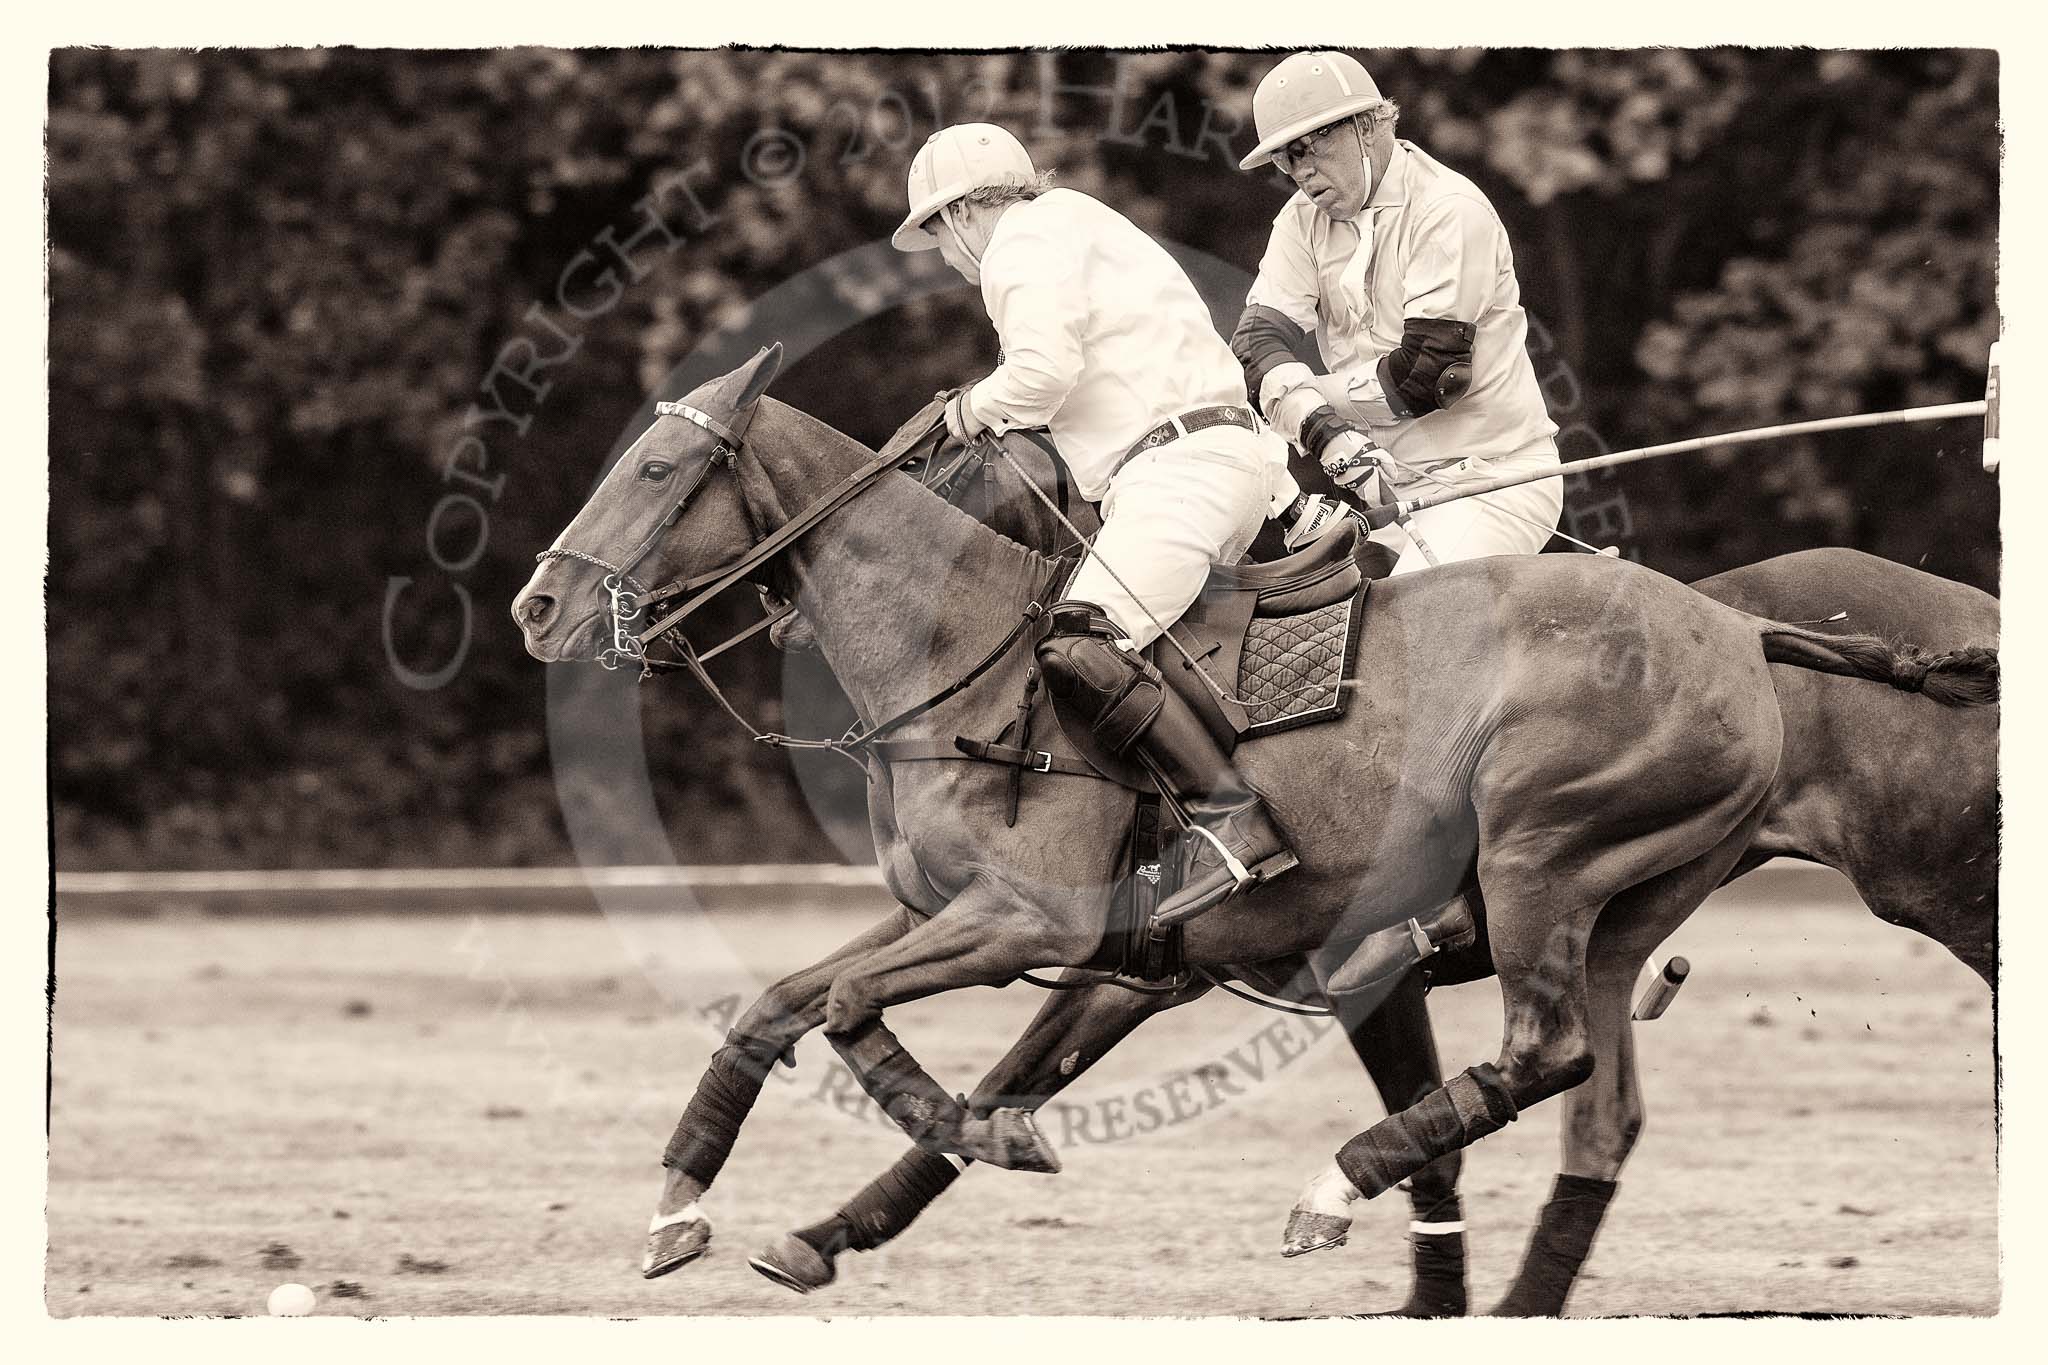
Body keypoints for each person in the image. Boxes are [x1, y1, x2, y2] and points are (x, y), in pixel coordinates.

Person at [893, 123, 1297, 924]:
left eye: (936, 234)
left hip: (1178, 476)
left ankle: (1235, 827)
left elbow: (1041, 374)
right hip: (1228, 462)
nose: (943, 256)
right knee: (1170, 656)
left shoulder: (1016, 244)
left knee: (1083, 639)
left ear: (967, 212)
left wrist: (973, 408)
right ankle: (1164, 844)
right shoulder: (1084, 220)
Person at [1232, 51, 1565, 988]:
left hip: (1489, 482)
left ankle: (1442, 905)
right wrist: (1329, 433)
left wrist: (1312, 410)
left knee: (1412, 645)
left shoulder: (1449, 209)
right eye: (1285, 157)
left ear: (1374, 125)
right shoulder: (1302, 219)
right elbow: (1255, 342)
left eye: (1312, 147)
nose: (1300, 171)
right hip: (1381, 489)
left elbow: (1428, 376)